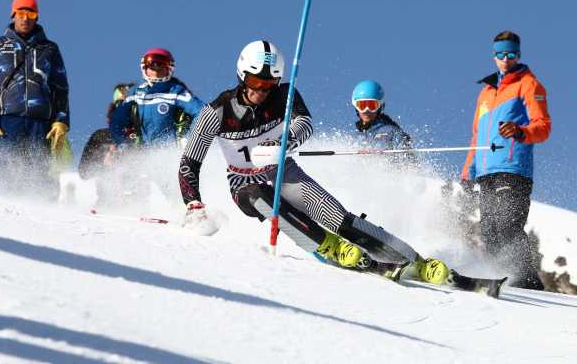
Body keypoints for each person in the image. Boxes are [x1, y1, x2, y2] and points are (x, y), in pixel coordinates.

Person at [178, 40, 452, 285]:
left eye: (269, 84)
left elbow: (305, 123)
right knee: (261, 197)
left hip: (282, 169)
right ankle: (329, 246)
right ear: (241, 75)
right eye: (255, 82)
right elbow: (190, 162)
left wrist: (283, 143)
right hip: (244, 180)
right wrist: (193, 203)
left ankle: (416, 261)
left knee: (338, 217)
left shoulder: (285, 95)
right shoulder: (217, 111)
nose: (261, 90)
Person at [461, 30, 551, 290]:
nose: (506, 59)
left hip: (513, 169)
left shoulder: (529, 85)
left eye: (511, 54)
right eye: (501, 54)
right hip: (486, 172)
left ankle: (526, 282)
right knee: (489, 232)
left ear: (518, 55)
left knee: (508, 225)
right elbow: (477, 136)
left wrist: (521, 131)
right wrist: (468, 171)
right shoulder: (485, 93)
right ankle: (501, 280)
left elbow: (544, 126)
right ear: (494, 56)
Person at [0, 0, 69, 200]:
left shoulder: (49, 49)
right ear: (13, 14)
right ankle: (2, 211)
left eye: (31, 13)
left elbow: (61, 88)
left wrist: (61, 120)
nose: (25, 18)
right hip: (7, 120)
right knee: (4, 169)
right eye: (21, 13)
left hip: (41, 123)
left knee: (41, 173)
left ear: (37, 16)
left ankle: (45, 211)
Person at [109, 48, 204, 205]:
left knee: (170, 184)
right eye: (151, 66)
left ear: (169, 68)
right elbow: (117, 122)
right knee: (128, 172)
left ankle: (182, 208)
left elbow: (201, 112)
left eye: (160, 66)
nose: (155, 70)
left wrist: (189, 138)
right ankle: (126, 207)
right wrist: (123, 142)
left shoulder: (175, 91)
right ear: (144, 68)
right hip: (142, 150)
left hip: (168, 151)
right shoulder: (136, 93)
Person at [78, 83, 134, 207]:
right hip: (107, 201)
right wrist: (103, 162)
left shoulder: (138, 137)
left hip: (135, 201)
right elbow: (84, 172)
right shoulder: (101, 136)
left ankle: (132, 200)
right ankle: (106, 200)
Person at [351, 80, 412, 150]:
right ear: (356, 108)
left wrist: (405, 145)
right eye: (362, 106)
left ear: (380, 107)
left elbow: (406, 155)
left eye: (372, 106)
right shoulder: (356, 137)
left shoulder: (391, 132)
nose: (366, 110)